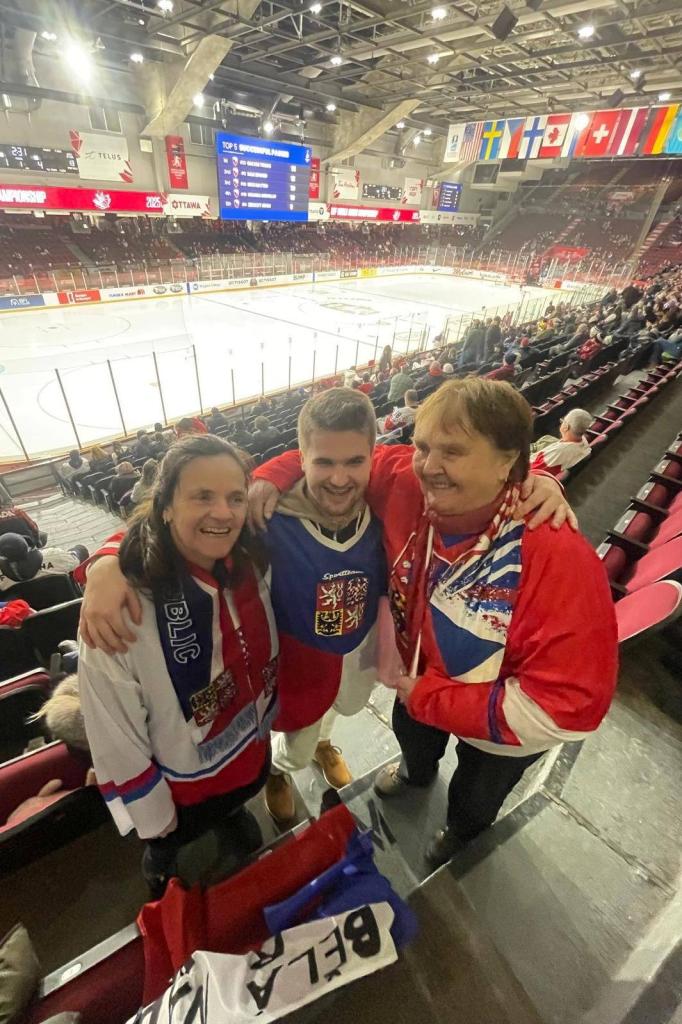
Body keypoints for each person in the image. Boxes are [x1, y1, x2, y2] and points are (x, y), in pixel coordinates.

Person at [244, 381, 613, 867]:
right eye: (423, 447)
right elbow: (339, 456)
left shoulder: (559, 557)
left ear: (507, 461)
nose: (429, 465)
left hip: (495, 731)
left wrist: (431, 698)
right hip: (417, 685)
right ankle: (415, 774)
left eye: (453, 452)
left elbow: (565, 709)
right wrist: (269, 475)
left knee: (475, 798)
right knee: (415, 746)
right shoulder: (407, 482)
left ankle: (460, 836)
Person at [78, 435, 278, 896]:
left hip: (250, 749)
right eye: (202, 497)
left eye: (235, 497)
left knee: (236, 804)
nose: (223, 513)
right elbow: (113, 732)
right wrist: (152, 815)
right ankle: (162, 858)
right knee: (169, 841)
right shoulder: (122, 608)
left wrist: (103, 560)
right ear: (165, 506)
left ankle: (233, 814)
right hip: (181, 786)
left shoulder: (254, 561)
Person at [0, 533, 89, 589]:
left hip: (29, 614)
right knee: (80, 549)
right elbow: (77, 560)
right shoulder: (54, 554)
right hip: (71, 609)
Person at [530, 408, 593, 477]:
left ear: (566, 427)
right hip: (557, 455)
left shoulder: (556, 453)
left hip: (532, 464)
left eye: (563, 421)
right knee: (547, 438)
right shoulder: (583, 440)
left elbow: (530, 471)